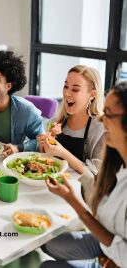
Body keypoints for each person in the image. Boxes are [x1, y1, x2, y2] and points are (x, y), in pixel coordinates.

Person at [40, 81, 127, 268]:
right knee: (49, 244)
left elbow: (122, 253)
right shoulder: (117, 163)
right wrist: (71, 197)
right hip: (107, 242)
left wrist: (114, 262)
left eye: (109, 114)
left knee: (45, 267)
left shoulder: (96, 132)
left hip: (119, 254)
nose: (102, 120)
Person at [37, 65, 104, 176]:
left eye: (75, 89)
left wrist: (63, 153)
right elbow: (46, 162)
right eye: (66, 86)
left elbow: (96, 174)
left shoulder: (101, 128)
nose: (67, 93)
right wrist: (42, 147)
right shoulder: (57, 122)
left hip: (78, 191)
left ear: (92, 95)